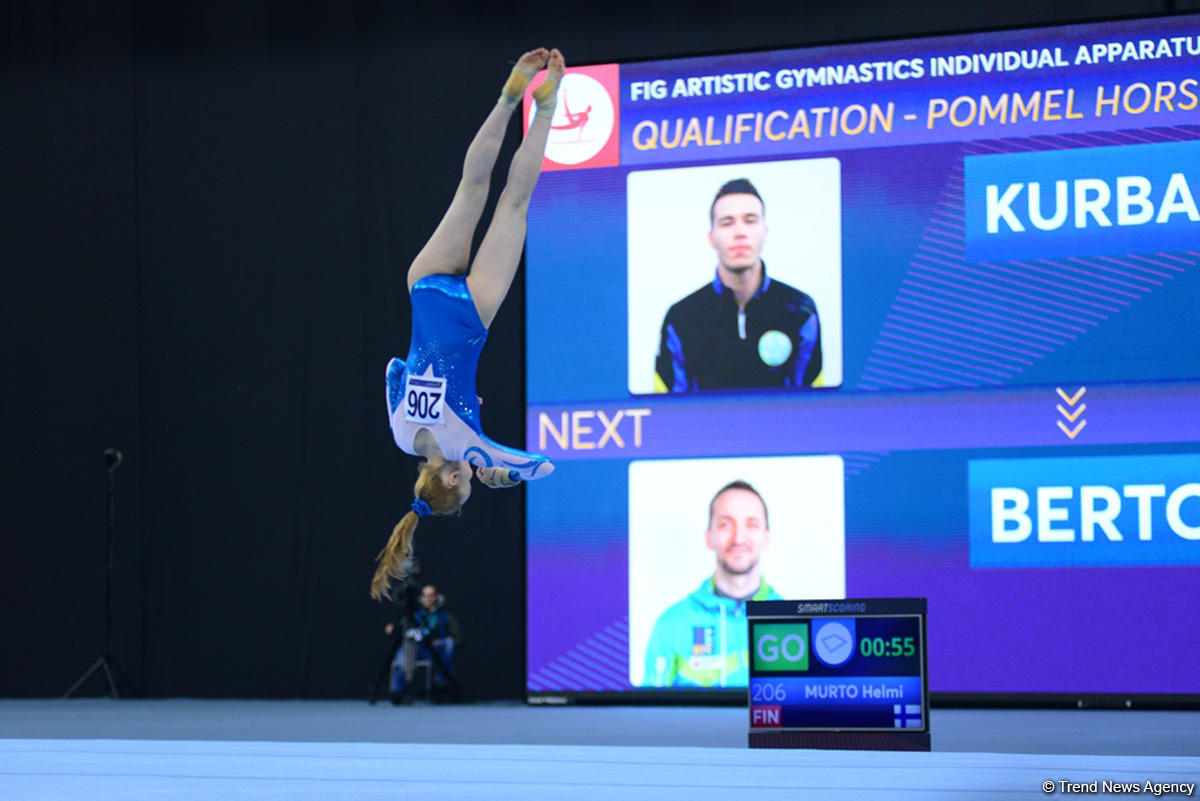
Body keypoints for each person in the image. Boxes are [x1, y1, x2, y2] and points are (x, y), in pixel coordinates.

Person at [371, 48, 565, 601]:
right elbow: (393, 369)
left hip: (471, 314)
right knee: (471, 189)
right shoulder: (401, 434)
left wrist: (501, 473)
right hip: (425, 290)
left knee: (514, 204)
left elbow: (541, 465)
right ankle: (510, 94)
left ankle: (546, 102)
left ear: (454, 480)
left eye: (467, 485)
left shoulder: (470, 447)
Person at [653, 178, 823, 392]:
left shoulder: (799, 310)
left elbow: (812, 406)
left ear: (765, 231)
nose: (739, 232)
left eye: (750, 220)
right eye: (727, 223)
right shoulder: (681, 317)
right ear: (711, 238)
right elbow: (670, 410)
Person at [642, 480, 782, 688]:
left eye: (751, 525)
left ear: (766, 537)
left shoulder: (793, 623)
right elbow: (648, 716)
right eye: (725, 525)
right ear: (709, 537)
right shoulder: (671, 624)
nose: (739, 538)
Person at [385, 584, 462, 699]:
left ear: (437, 597)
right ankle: (397, 691)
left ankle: (441, 681)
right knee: (405, 649)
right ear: (421, 598)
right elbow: (401, 631)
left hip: (435, 651)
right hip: (417, 649)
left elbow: (458, 638)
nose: (429, 599)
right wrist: (393, 629)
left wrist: (439, 641)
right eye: (425, 596)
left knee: (448, 643)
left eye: (431, 596)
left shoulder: (445, 617)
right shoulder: (414, 616)